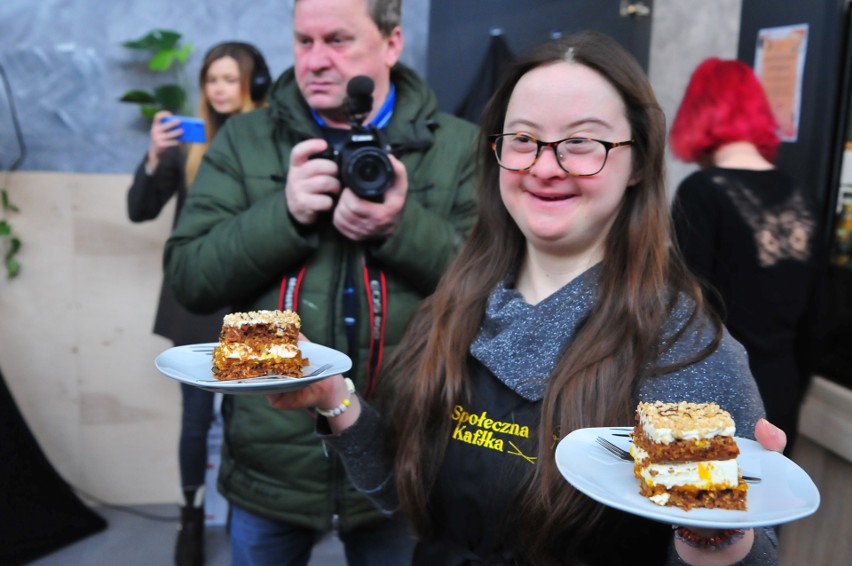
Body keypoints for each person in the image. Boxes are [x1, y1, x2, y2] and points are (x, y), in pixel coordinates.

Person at [266, 31, 788, 565]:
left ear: (637, 164)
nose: (543, 166)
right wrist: (334, 397)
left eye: (582, 141)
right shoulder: (457, 301)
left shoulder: (682, 342)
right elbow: (404, 496)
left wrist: (715, 531)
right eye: (522, 139)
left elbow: (750, 555)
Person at [162, 0, 478, 564]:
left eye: (337, 39)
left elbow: (499, 294)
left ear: (392, 42)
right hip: (269, 466)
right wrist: (282, 216)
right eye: (303, 42)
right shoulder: (244, 140)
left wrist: (402, 229)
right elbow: (189, 277)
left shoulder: (456, 147)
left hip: (400, 455)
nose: (316, 60)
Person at [127, 41, 272, 566]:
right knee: (195, 420)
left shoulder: (270, 144)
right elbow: (140, 210)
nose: (219, 89)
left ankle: (245, 517)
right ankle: (191, 518)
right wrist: (152, 156)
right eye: (212, 79)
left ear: (254, 85)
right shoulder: (186, 146)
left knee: (248, 420)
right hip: (197, 304)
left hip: (253, 304)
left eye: (230, 79)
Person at [668, 58, 821, 453]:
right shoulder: (800, 194)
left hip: (717, 390)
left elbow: (685, 312)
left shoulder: (701, 192)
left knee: (701, 507)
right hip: (782, 387)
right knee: (765, 505)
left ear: (698, 113)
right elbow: (815, 318)